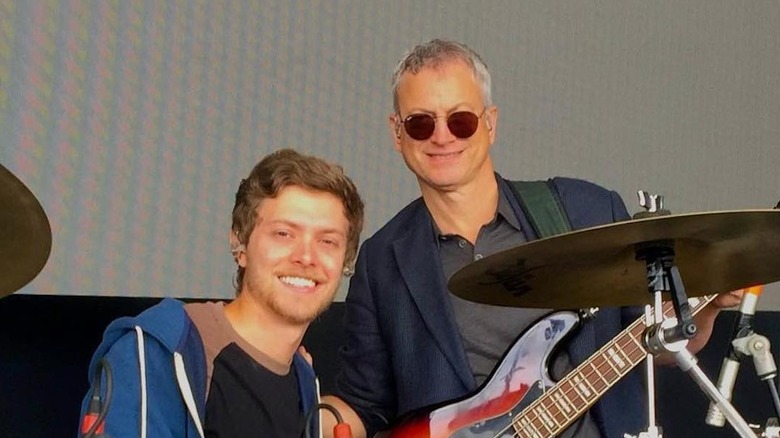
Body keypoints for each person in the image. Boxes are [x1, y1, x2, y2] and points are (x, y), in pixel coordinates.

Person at [323, 39, 741, 438]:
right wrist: (296, 402)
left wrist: (704, 309)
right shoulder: (383, 260)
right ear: (397, 134)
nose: (442, 135)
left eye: (461, 119)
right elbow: (365, 403)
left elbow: (662, 345)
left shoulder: (585, 212)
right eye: (420, 122)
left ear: (490, 123)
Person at [78, 149, 364, 438]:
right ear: (240, 243)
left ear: (346, 260)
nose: (306, 256)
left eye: (327, 241)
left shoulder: (303, 379)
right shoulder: (159, 355)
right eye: (284, 234)